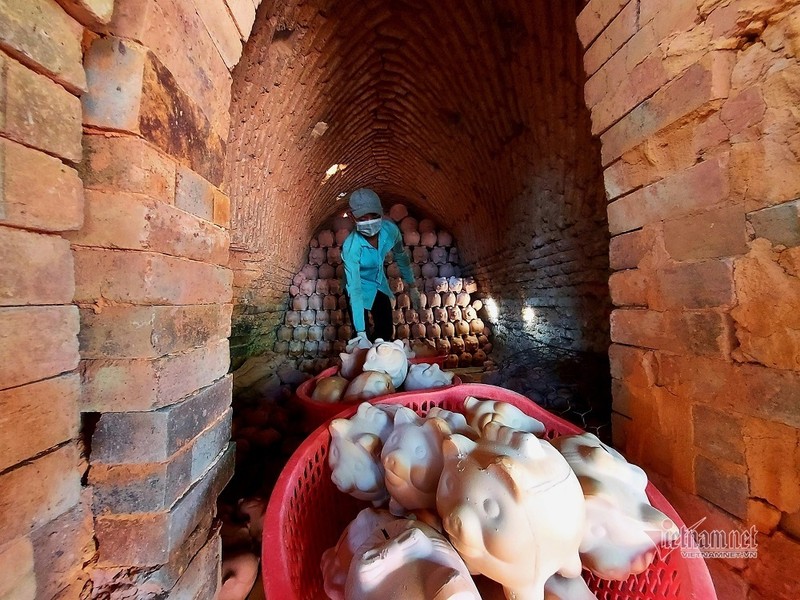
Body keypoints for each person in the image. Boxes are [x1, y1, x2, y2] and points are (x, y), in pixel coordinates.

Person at [341, 188, 420, 343]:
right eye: (363, 218)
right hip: (356, 284)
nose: (370, 222)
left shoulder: (391, 231)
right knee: (361, 333)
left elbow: (401, 257)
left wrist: (412, 285)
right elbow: (355, 290)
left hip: (378, 282)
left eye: (375, 216)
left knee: (385, 330)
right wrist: (361, 332)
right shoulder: (351, 247)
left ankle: (382, 362)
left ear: (382, 212)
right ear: (351, 217)